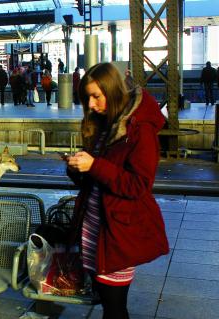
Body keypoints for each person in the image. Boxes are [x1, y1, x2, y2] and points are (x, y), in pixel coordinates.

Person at [65, 62, 169, 319]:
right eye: (87, 98)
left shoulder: (140, 130)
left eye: (96, 96)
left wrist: (95, 165)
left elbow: (138, 185)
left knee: (114, 307)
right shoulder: (105, 125)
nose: (91, 105)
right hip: (96, 230)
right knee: (107, 301)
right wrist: (78, 169)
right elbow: (98, 179)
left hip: (117, 234)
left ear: (112, 92)